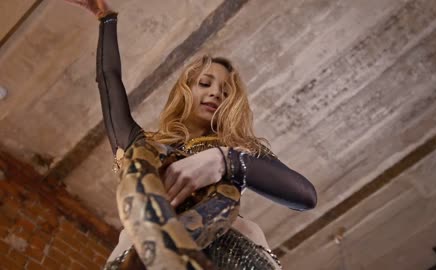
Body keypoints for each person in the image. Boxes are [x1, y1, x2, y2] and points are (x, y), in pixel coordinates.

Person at [64, 1, 317, 269]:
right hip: (141, 254)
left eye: (226, 91)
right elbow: (108, 79)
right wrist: (107, 19)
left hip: (234, 252)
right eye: (205, 83)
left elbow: (306, 197)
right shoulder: (141, 144)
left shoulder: (242, 148)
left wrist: (225, 160)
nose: (215, 93)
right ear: (184, 91)